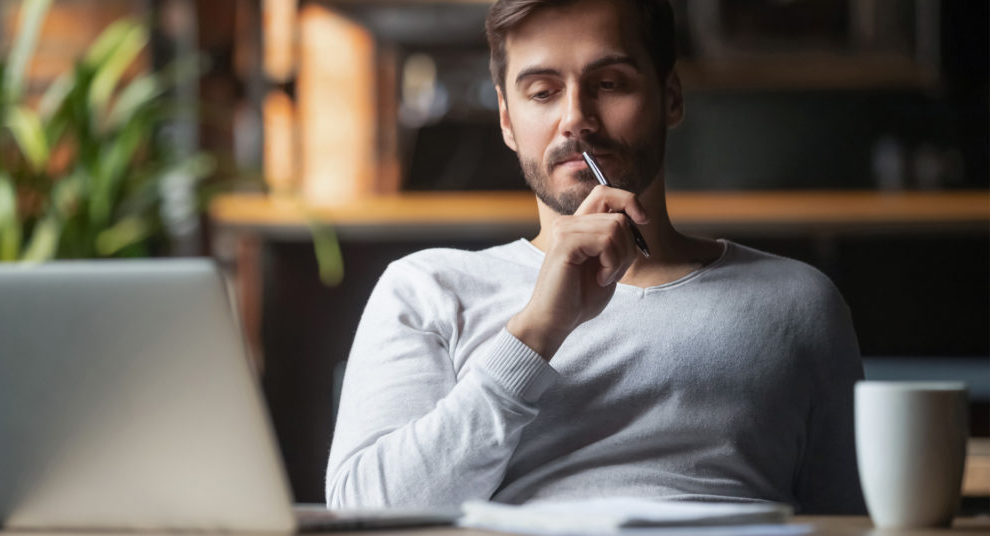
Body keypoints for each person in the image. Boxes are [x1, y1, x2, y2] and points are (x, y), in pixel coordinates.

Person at [326, 0, 864, 514]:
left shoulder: (798, 301)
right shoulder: (428, 289)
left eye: (609, 84)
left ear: (671, 97)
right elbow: (366, 513)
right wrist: (535, 333)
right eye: (542, 92)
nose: (576, 119)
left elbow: (855, 522)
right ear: (507, 120)